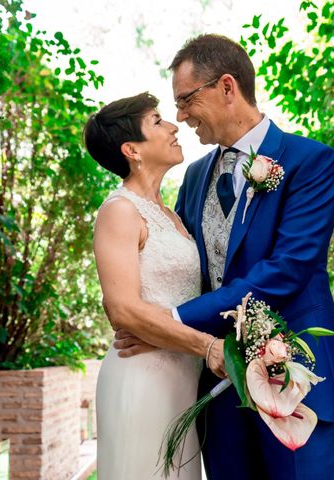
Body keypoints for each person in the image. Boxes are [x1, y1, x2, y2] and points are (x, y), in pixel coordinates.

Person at [111, 34, 334, 479]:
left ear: (226, 87)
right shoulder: (195, 177)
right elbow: (187, 271)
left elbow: (288, 269)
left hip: (295, 381)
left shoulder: (310, 161)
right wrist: (154, 327)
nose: (181, 117)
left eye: (185, 100)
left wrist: (173, 321)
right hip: (215, 388)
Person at [85, 92, 226, 480]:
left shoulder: (172, 215)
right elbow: (123, 309)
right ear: (132, 149)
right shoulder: (119, 210)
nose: (173, 125)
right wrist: (207, 346)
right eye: (158, 121)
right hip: (141, 378)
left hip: (183, 382)